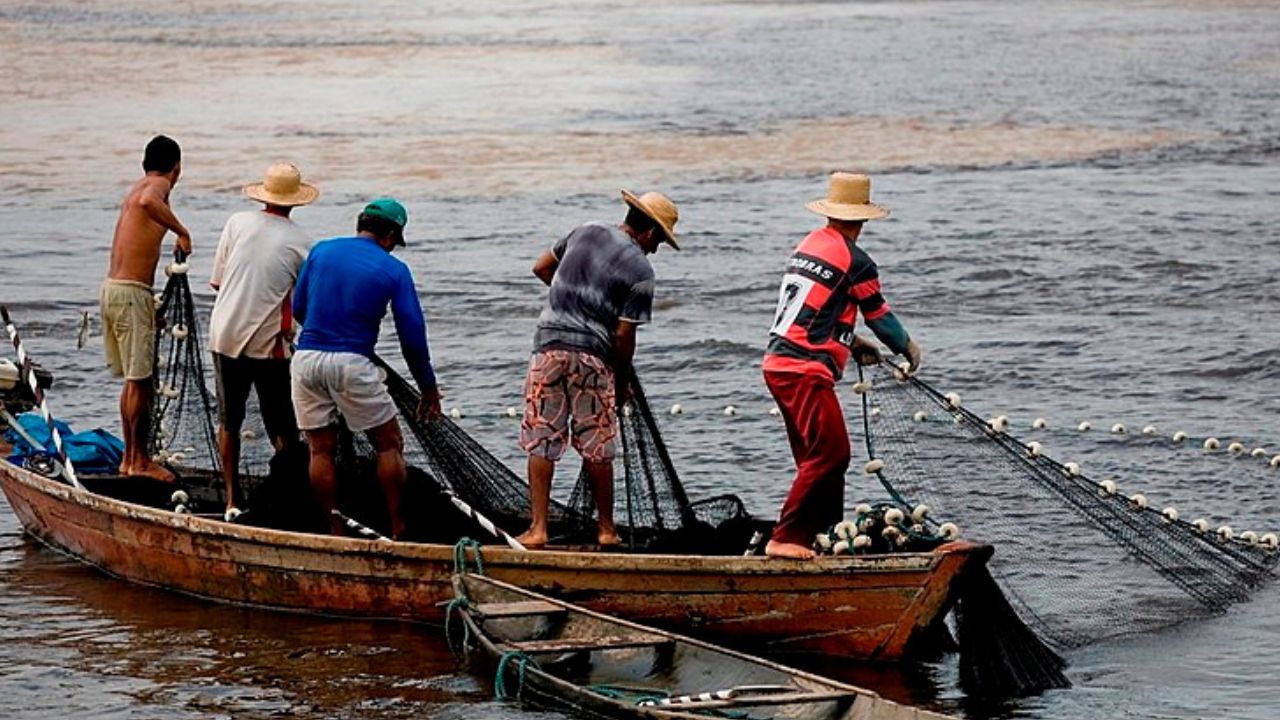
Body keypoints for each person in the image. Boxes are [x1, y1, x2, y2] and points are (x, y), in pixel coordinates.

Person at [762, 172, 922, 560]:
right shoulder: (857, 261)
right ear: (863, 219)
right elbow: (879, 315)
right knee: (831, 456)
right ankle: (784, 539)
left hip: (778, 363)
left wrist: (851, 344)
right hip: (805, 370)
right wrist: (908, 347)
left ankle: (825, 533)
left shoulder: (809, 245)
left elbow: (817, 309)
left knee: (815, 458)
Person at [517, 189, 680, 549]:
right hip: (592, 357)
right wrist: (622, 382)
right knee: (597, 445)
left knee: (542, 438)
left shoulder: (584, 231)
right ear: (650, 233)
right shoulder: (641, 270)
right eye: (659, 242)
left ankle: (538, 529)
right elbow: (623, 336)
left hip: (548, 349)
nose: (655, 250)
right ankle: (606, 530)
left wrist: (572, 298)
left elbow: (542, 267)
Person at [289, 198, 442, 538]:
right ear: (389, 234)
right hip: (353, 363)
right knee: (388, 444)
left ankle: (335, 529)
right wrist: (427, 387)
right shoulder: (394, 270)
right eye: (393, 241)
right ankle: (399, 527)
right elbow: (412, 336)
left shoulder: (321, 250)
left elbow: (299, 307)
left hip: (306, 358)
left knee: (320, 449)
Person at [208, 162, 318, 515]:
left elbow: (218, 282)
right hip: (267, 345)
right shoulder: (303, 242)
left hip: (223, 333)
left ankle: (231, 499)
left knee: (230, 420)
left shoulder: (237, 223)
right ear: (296, 201)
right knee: (282, 424)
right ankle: (287, 496)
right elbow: (302, 303)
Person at [100, 135, 192, 482]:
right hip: (129, 294)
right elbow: (148, 201)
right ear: (177, 167)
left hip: (114, 290)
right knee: (140, 382)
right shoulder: (156, 186)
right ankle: (139, 462)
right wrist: (182, 232)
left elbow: (142, 204)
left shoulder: (137, 185)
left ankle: (130, 459)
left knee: (134, 382)